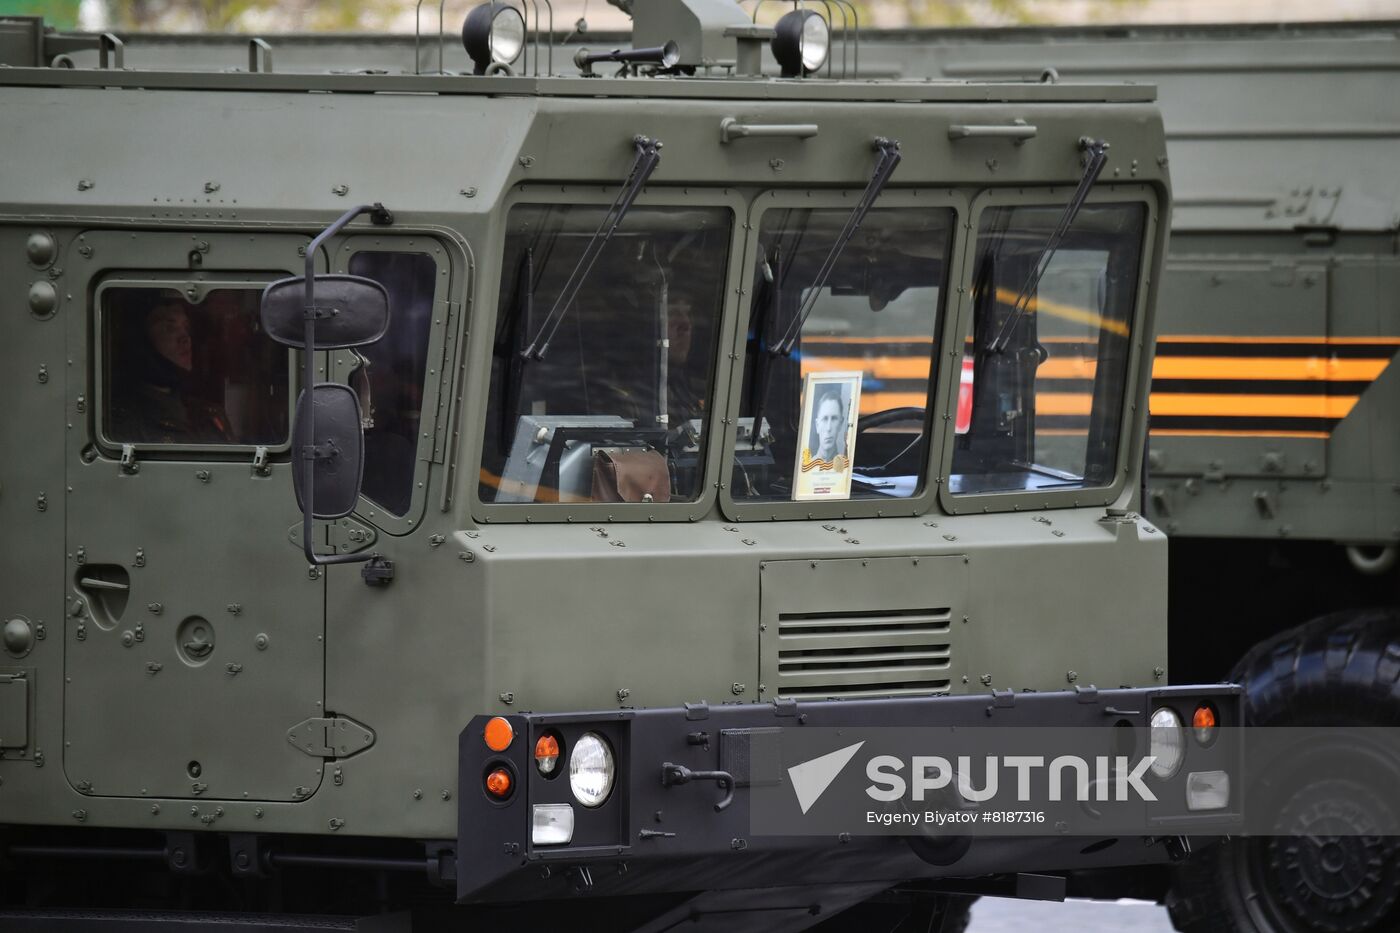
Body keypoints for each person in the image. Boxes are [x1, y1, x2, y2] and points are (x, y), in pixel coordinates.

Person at [109, 296, 233, 444]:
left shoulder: (211, 415)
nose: (185, 338)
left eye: (186, 327)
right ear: (142, 340)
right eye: (170, 328)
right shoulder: (125, 421)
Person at [808, 387, 847, 468]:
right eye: (825, 419)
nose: (829, 428)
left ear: (840, 424)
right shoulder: (808, 467)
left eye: (834, 419)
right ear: (817, 425)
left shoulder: (845, 467)